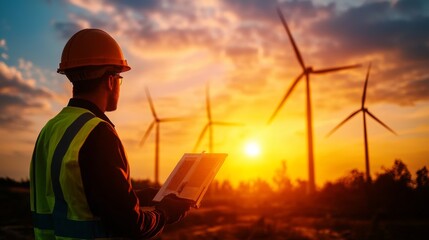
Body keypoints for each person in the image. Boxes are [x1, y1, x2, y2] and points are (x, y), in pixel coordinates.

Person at [29, 28, 191, 239]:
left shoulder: (50, 129)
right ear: (110, 80)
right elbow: (131, 227)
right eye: (119, 77)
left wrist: (138, 197)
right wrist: (166, 213)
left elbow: (76, 197)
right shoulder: (97, 134)